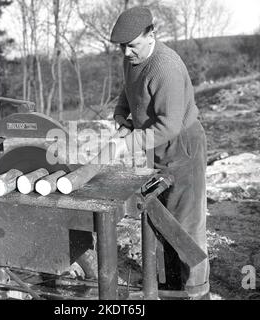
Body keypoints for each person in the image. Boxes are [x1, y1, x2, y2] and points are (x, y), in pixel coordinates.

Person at [110, 6, 210, 299]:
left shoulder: (165, 66)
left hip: (182, 145)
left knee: (186, 224)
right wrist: (121, 118)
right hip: (152, 144)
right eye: (122, 48)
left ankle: (196, 292)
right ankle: (169, 287)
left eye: (132, 46)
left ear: (151, 33)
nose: (127, 53)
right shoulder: (131, 59)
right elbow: (128, 91)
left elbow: (169, 125)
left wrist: (126, 143)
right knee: (159, 218)